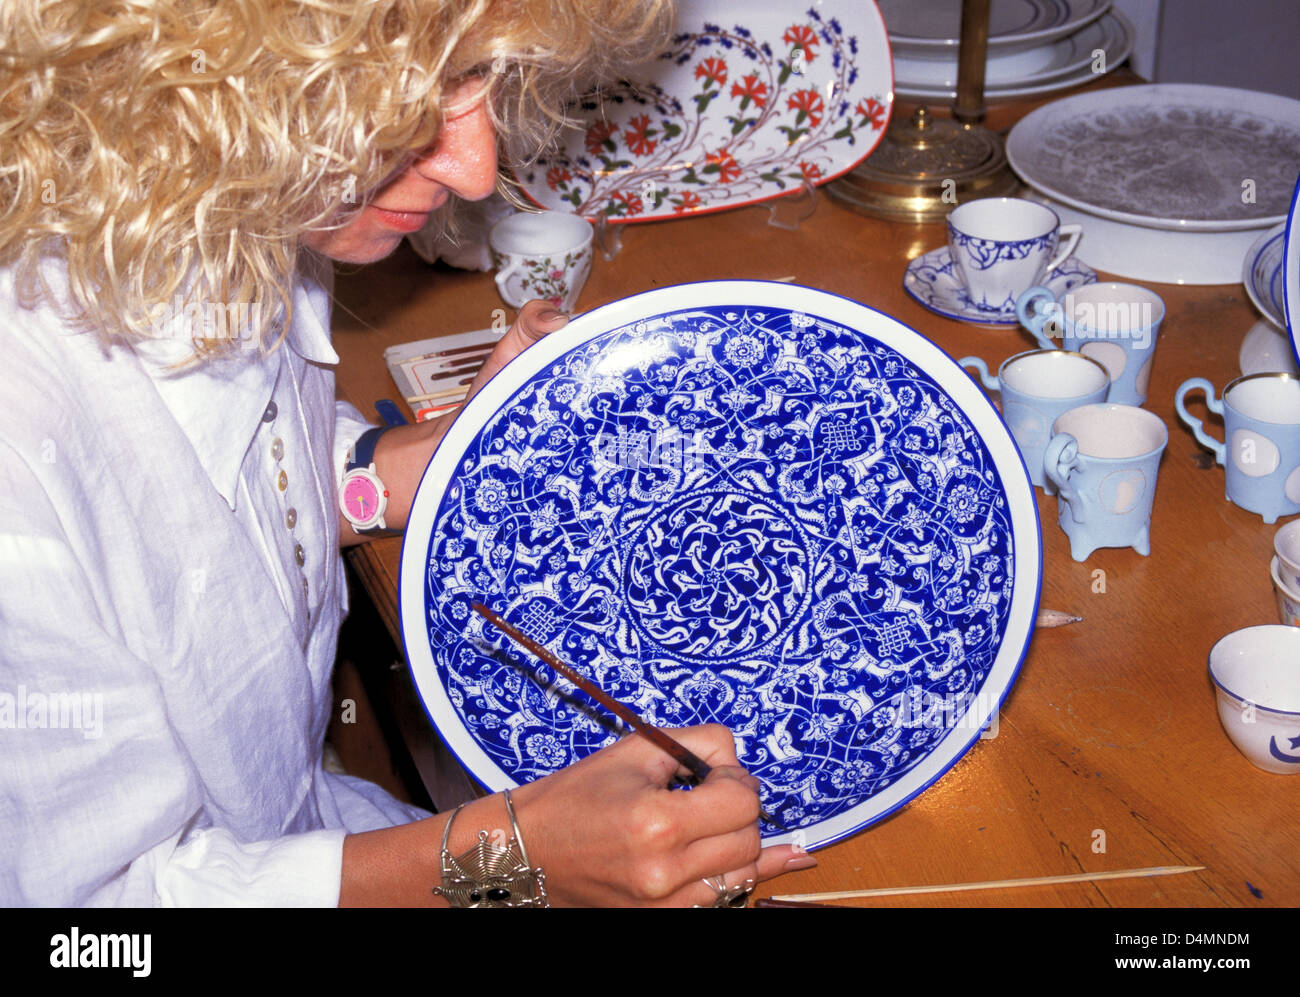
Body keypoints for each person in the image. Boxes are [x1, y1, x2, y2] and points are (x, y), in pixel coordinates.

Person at [0, 0, 816, 906]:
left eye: (480, 80)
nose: (478, 171)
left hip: (316, 833)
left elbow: (225, 493)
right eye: (397, 103)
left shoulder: (215, 195)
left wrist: (453, 454)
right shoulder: (19, 452)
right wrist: (510, 863)